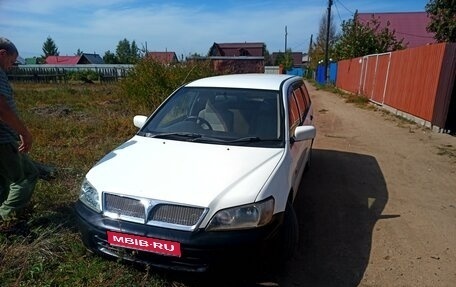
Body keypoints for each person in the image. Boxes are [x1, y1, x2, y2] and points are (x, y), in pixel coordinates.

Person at [0, 37, 38, 222]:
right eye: (11, 61)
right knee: (25, 177)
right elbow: (2, 109)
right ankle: (6, 219)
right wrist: (24, 132)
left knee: (3, 180)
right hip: (3, 140)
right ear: (2, 54)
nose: (11, 66)